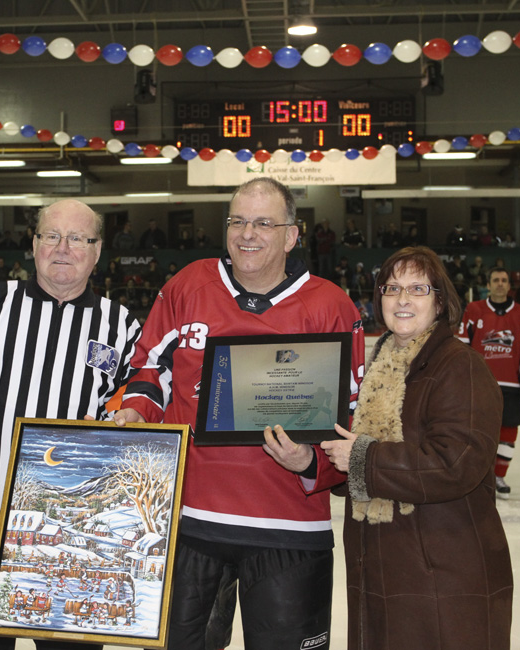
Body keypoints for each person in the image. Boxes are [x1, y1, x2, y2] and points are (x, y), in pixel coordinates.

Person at [113, 177, 365, 649]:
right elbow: (149, 368)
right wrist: (136, 412)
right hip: (189, 521)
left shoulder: (331, 305)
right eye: (238, 221)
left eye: (263, 223)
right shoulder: (187, 285)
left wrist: (311, 463)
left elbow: (351, 418)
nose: (247, 233)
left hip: (289, 526)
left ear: (291, 235)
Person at [0, 199, 141, 650]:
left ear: (97, 252)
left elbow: (128, 428)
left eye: (78, 239)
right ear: (33, 245)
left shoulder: (121, 328)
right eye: (51, 235)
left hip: (73, 546)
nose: (63, 248)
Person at [320, 246, 512, 650]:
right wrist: (317, 462)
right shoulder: (379, 368)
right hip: (383, 566)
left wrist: (363, 457)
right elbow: (356, 460)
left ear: (440, 301)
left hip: (442, 572)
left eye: (418, 288)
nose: (402, 299)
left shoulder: (460, 366)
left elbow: (454, 464)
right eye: (391, 288)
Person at [457, 266, 520, 498]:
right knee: (477, 432)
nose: (500, 284)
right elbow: (463, 347)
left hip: (511, 385)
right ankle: (478, 477)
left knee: (508, 433)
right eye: (496, 280)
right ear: (489, 284)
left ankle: (499, 476)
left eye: (504, 280)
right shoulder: (474, 310)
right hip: (480, 385)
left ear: (509, 285)